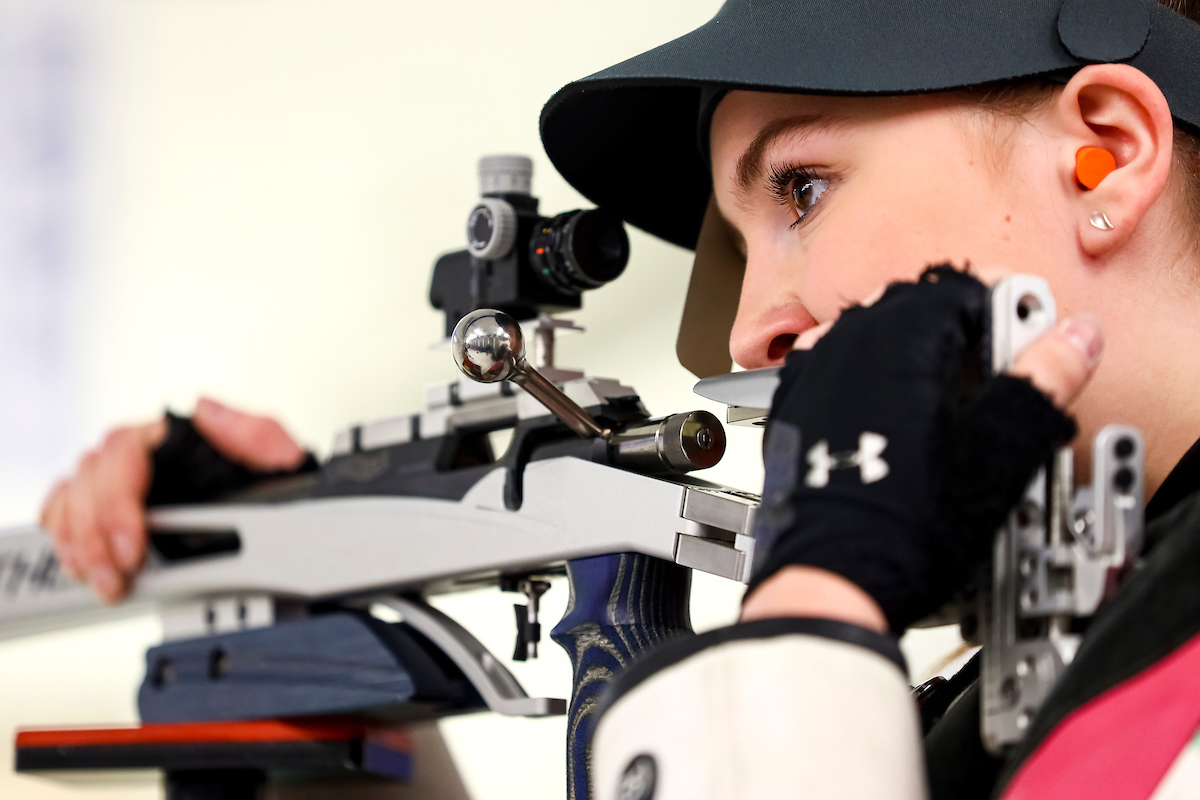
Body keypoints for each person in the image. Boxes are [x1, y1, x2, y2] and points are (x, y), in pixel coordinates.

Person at [40, 0, 1200, 797]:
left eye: (803, 186)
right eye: (741, 251)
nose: (755, 325)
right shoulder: (1053, 650)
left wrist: (824, 589)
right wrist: (309, 650)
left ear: (1105, 149)